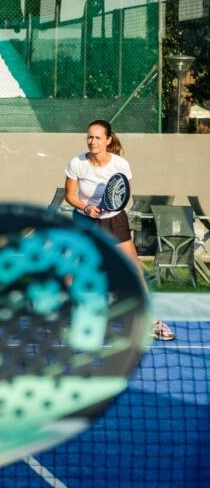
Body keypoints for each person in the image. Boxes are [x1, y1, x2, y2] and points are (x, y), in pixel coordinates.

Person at [64, 119, 175, 341]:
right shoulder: (77, 163)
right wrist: (86, 207)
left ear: (108, 140)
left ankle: (151, 322)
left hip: (114, 221)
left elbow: (122, 195)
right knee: (70, 272)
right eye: (89, 137)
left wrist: (106, 208)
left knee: (134, 270)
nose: (92, 141)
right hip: (84, 220)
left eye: (97, 137)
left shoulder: (120, 164)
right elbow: (70, 195)